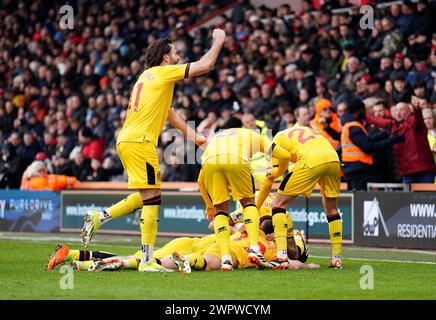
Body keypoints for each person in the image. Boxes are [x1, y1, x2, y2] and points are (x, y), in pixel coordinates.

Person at [81, 29, 226, 272]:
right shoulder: (164, 73)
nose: (179, 56)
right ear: (166, 58)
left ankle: (99, 217)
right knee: (153, 200)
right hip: (140, 142)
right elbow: (206, 65)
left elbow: (172, 115)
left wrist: (197, 139)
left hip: (127, 140)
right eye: (176, 53)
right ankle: (147, 261)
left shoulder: (146, 78)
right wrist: (219, 40)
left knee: (148, 195)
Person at [197, 128, 290, 271]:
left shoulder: (219, 138)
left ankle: (226, 259)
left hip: (209, 162)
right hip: (237, 159)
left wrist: (209, 205)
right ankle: (254, 249)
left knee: (220, 211)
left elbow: (200, 181)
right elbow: (284, 155)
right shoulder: (256, 137)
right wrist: (278, 171)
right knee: (248, 204)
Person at [256, 126, 343, 268]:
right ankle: (336, 259)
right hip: (333, 159)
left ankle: (282, 257)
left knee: (278, 205)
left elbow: (272, 176)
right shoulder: (305, 130)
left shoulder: (276, 140)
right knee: (332, 210)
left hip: (311, 160)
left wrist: (257, 207)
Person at [46, 230, 317, 272]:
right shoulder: (276, 254)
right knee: (209, 263)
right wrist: (313, 266)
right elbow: (296, 266)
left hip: (198, 238)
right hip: (229, 251)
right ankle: (180, 262)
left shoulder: (255, 226)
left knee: (141, 257)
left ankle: (73, 258)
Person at [341, 98, 405, 190]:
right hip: (357, 170)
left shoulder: (349, 125)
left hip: (353, 169)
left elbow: (367, 140)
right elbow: (368, 147)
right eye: (363, 110)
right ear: (358, 111)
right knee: (361, 198)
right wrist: (394, 140)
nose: (365, 113)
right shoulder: (353, 127)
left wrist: (385, 134)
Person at [366, 101, 436, 183]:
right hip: (407, 172)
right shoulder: (393, 125)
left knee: (425, 196)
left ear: (409, 111)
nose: (398, 113)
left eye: (401, 110)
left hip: (423, 171)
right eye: (396, 110)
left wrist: (416, 108)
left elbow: (418, 118)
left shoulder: (414, 123)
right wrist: (363, 112)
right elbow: (377, 121)